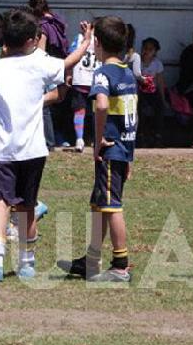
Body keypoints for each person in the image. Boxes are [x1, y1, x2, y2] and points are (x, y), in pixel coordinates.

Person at [0, 8, 93, 282]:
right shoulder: (40, 64)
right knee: (27, 206)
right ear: (30, 41)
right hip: (34, 151)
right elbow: (68, 62)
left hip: (2, 150)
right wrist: (85, 42)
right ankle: (27, 264)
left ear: (5, 40)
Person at [58, 16, 137, 283]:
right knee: (99, 204)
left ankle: (120, 265)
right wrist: (130, 157)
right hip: (124, 149)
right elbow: (131, 116)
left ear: (98, 45)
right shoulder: (128, 73)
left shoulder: (103, 73)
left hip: (110, 150)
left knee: (112, 206)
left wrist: (99, 138)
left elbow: (101, 105)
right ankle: (90, 260)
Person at [28, 0, 71, 147]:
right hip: (62, 66)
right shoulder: (57, 21)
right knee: (60, 106)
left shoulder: (42, 27)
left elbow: (41, 52)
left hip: (49, 69)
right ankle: (61, 138)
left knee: (45, 105)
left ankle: (48, 140)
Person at [69, 18, 101, 152]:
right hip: (95, 81)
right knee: (96, 111)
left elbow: (71, 52)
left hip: (81, 80)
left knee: (79, 110)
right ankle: (96, 139)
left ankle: (79, 139)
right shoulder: (102, 41)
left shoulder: (80, 38)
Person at [137, 37, 168, 148]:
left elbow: (160, 82)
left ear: (155, 51)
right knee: (140, 111)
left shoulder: (157, 63)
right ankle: (141, 136)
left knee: (159, 109)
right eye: (145, 48)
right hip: (140, 91)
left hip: (153, 91)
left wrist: (163, 99)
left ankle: (158, 136)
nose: (147, 51)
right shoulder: (137, 62)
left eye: (151, 49)